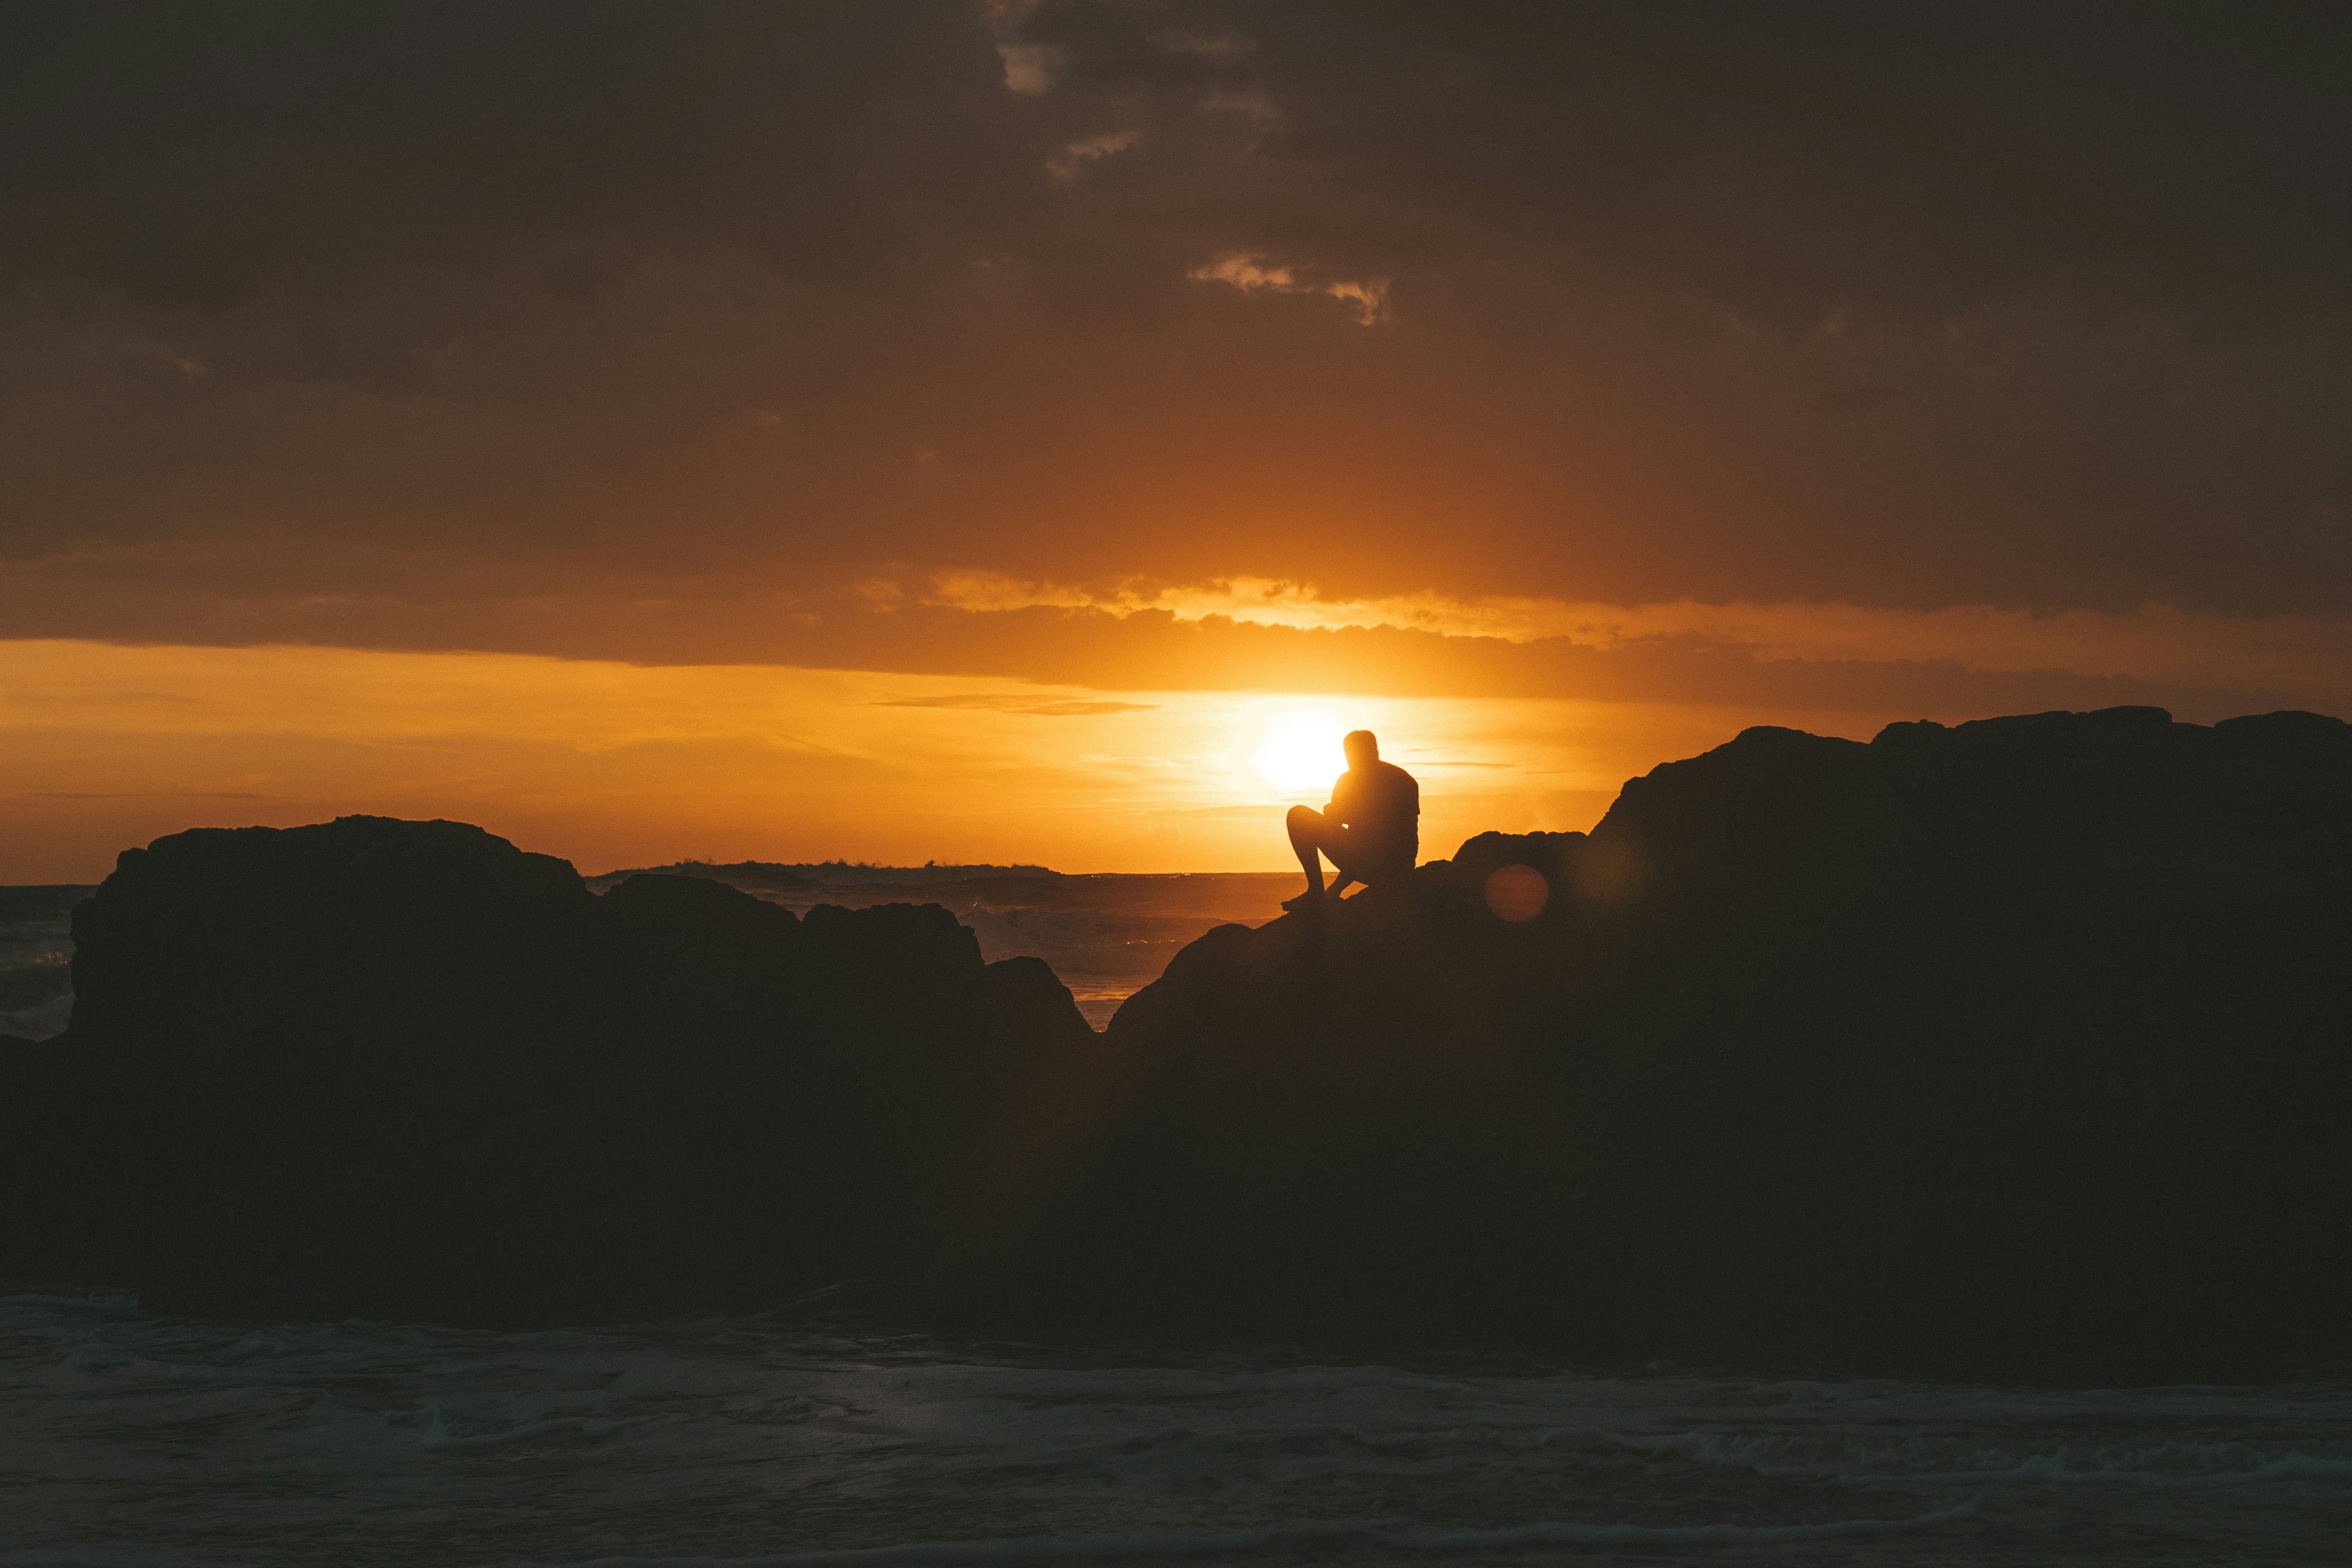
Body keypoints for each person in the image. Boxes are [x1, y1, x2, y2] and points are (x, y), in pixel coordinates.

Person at [1283, 730, 1420, 911]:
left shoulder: (1395, 781)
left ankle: (1316, 893)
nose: (1352, 761)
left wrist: (1340, 815)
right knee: (1301, 816)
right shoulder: (1400, 779)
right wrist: (1336, 889)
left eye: (1356, 756)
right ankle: (1318, 893)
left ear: (1375, 753)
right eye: (1350, 757)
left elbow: (1389, 839)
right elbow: (1357, 841)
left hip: (1389, 868)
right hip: (1391, 867)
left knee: (1298, 815)